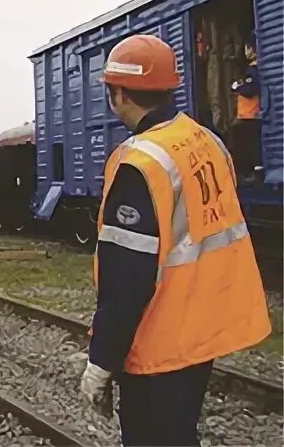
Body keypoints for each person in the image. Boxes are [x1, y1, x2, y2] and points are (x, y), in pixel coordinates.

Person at [79, 34, 270, 447]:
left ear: (117, 93)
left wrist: (101, 361)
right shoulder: (207, 141)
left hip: (160, 342)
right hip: (203, 333)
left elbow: (127, 280)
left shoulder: (139, 163)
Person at [230, 41, 262, 182]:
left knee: (250, 146)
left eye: (246, 48)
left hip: (250, 115)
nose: (245, 51)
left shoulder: (253, 69)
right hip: (248, 115)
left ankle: (252, 174)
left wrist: (237, 87)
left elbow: (250, 90)